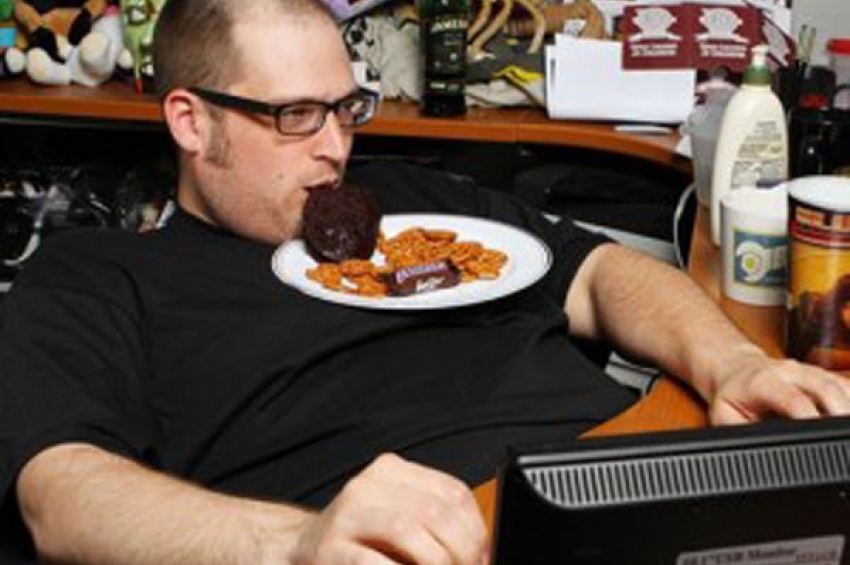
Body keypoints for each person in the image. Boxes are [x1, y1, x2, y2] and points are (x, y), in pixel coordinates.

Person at [1, 0, 849, 563]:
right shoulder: (98, 277)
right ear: (191, 121)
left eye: (346, 109)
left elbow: (599, 272)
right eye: (296, 116)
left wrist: (734, 363)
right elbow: (61, 494)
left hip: (626, 485)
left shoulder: (419, 199)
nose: (335, 147)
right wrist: (297, 543)